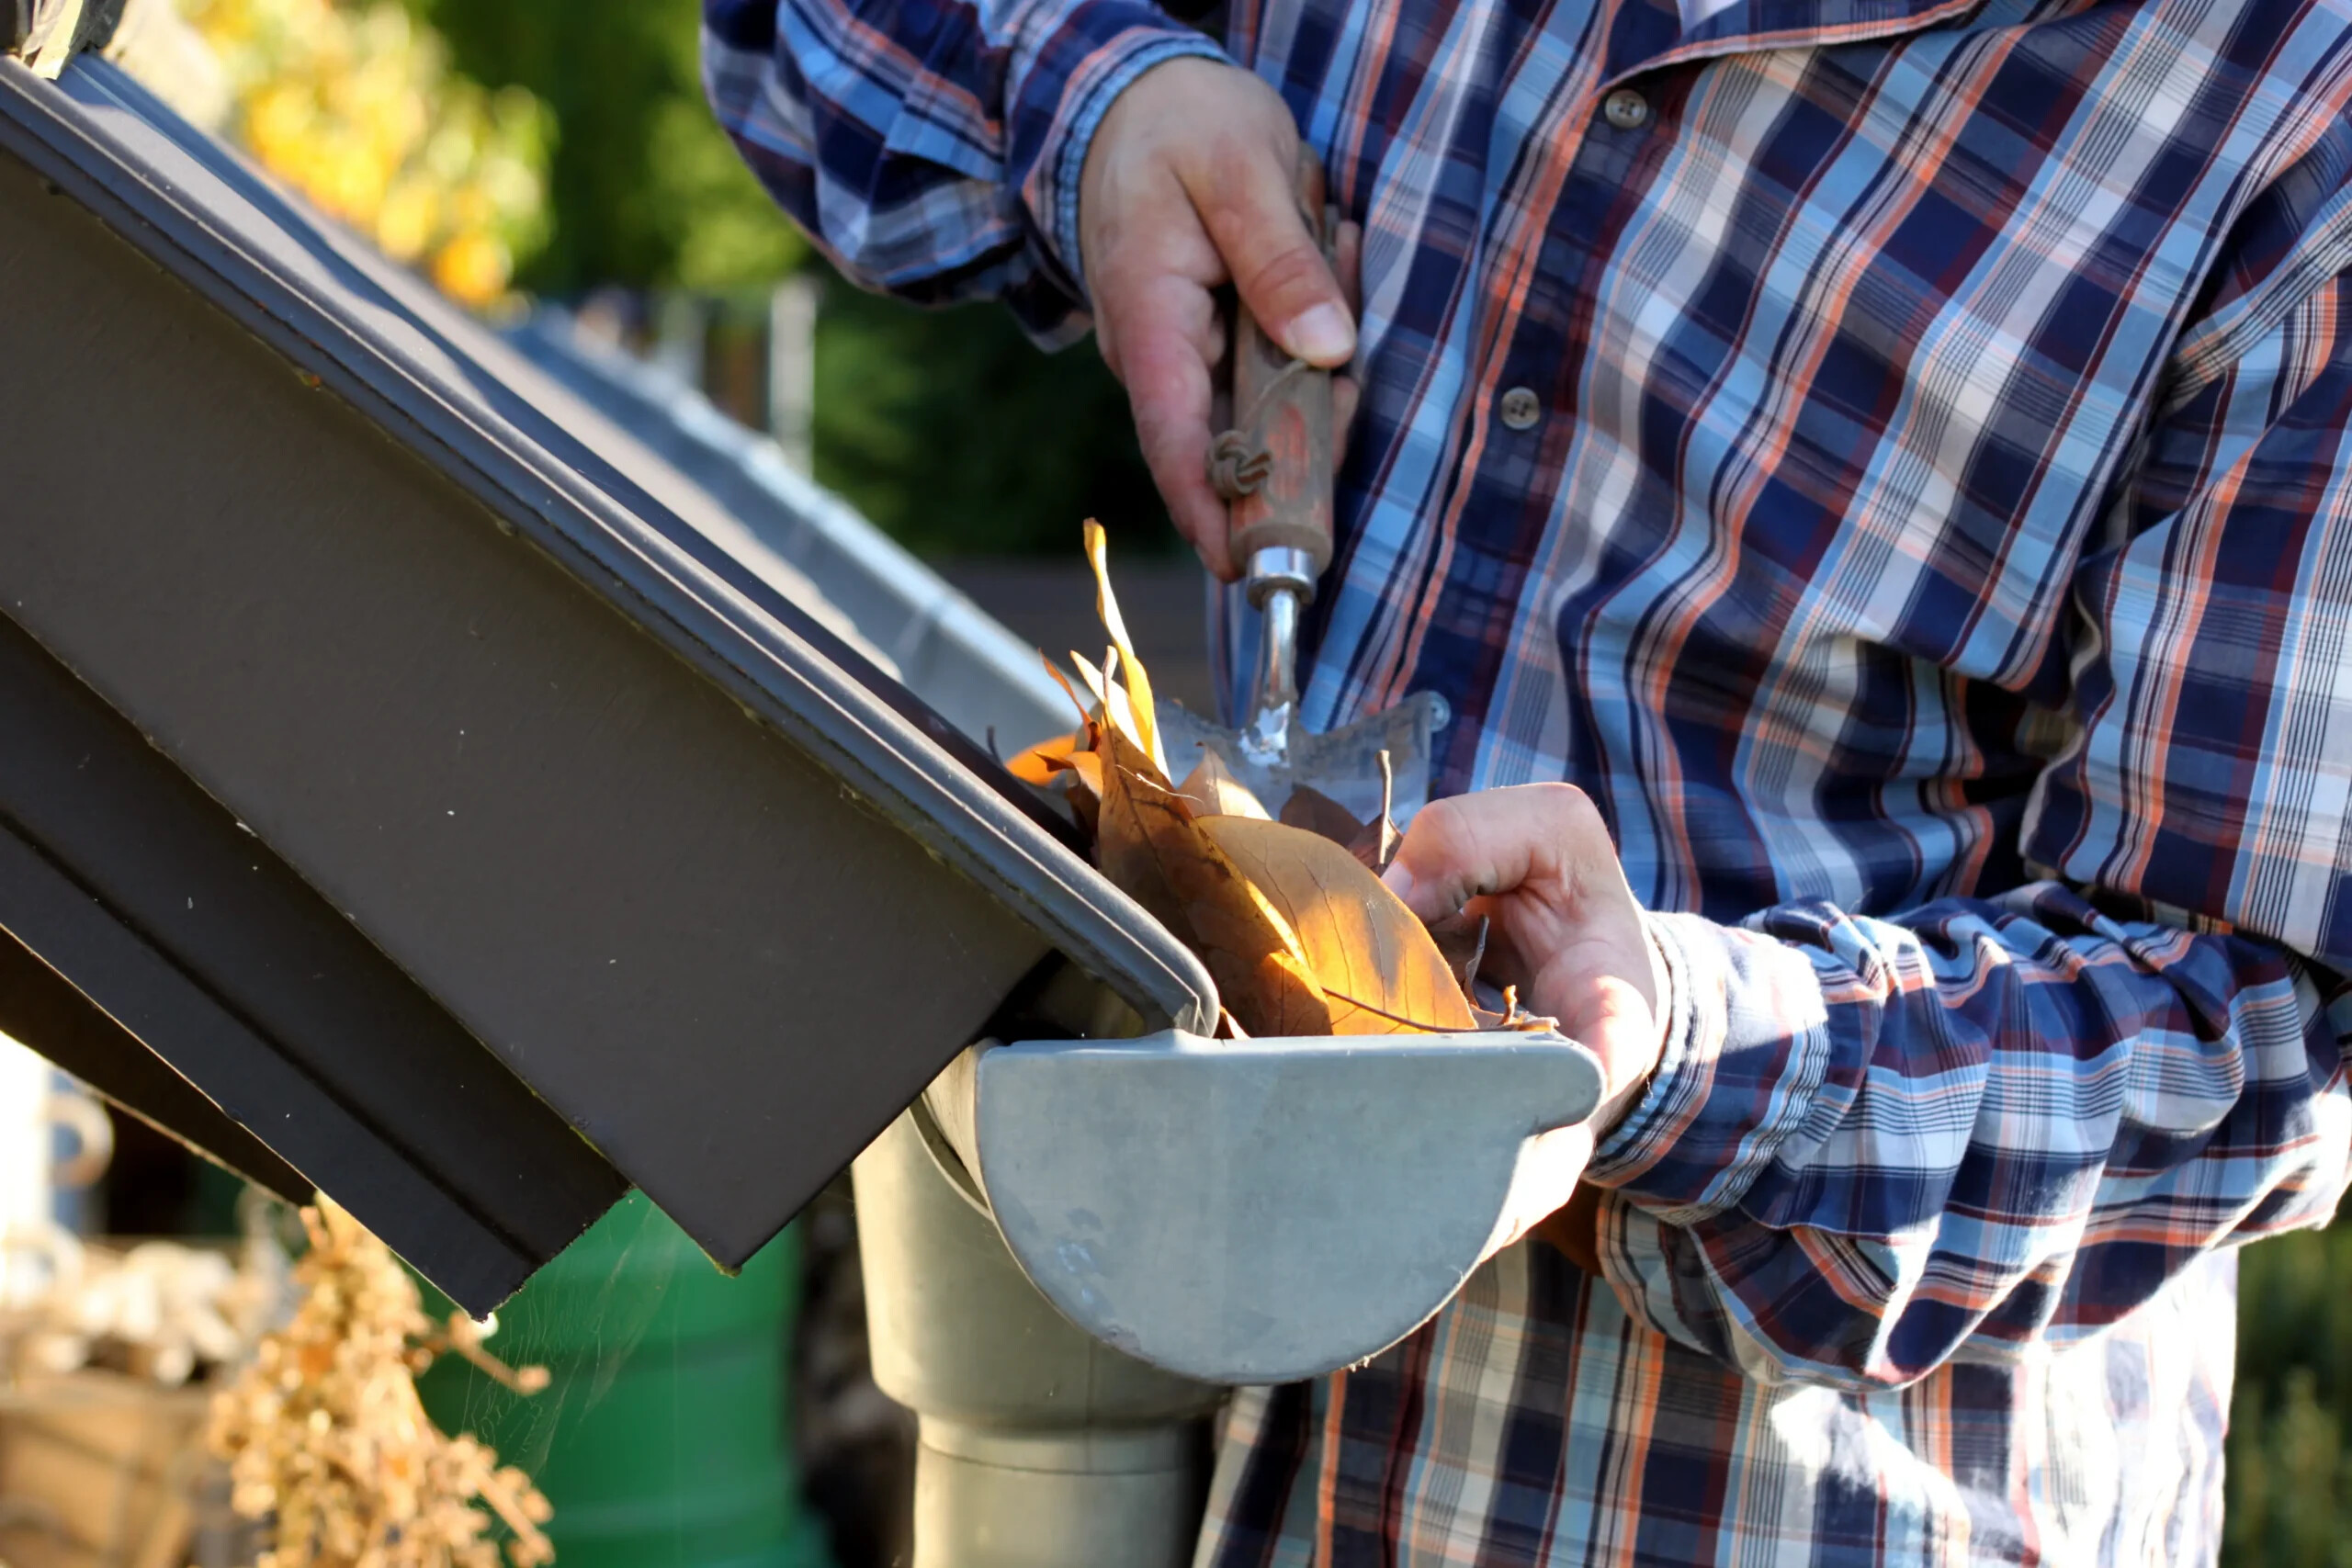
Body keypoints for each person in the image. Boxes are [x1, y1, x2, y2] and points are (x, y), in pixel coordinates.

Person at [704, 0, 2352, 1559]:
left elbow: (2263, 1033)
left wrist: (1693, 1054)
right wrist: (1102, 98)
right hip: (1159, 1459)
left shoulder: (2293, 105)